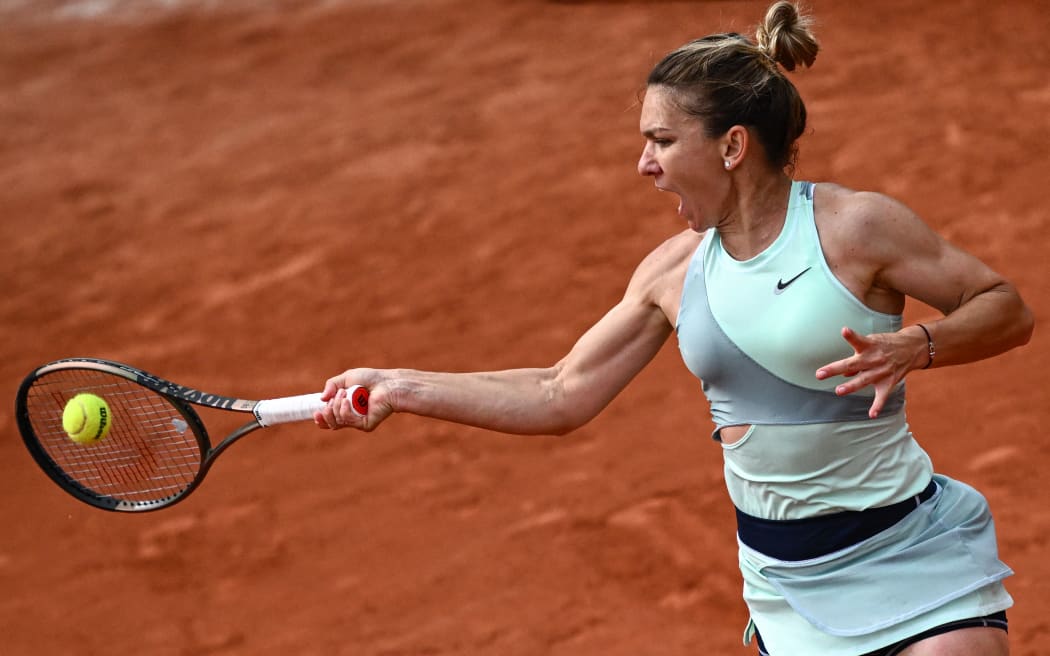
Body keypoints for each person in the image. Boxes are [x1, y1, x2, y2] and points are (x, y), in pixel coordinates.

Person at [314, 2, 1035, 654]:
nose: (643, 164)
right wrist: (401, 386)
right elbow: (558, 390)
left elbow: (1003, 304)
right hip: (788, 590)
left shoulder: (855, 229)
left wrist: (921, 344)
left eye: (661, 140)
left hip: (914, 558)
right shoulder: (673, 273)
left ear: (730, 147)